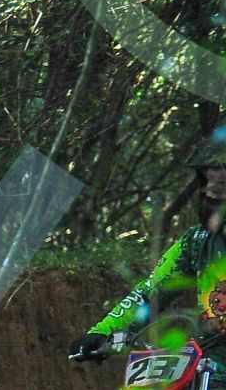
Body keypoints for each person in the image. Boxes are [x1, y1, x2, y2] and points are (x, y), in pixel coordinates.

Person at [71, 144, 226, 362]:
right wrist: (103, 332)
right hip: (209, 367)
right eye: (207, 182)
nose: (210, 192)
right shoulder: (197, 241)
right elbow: (150, 292)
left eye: (221, 183)